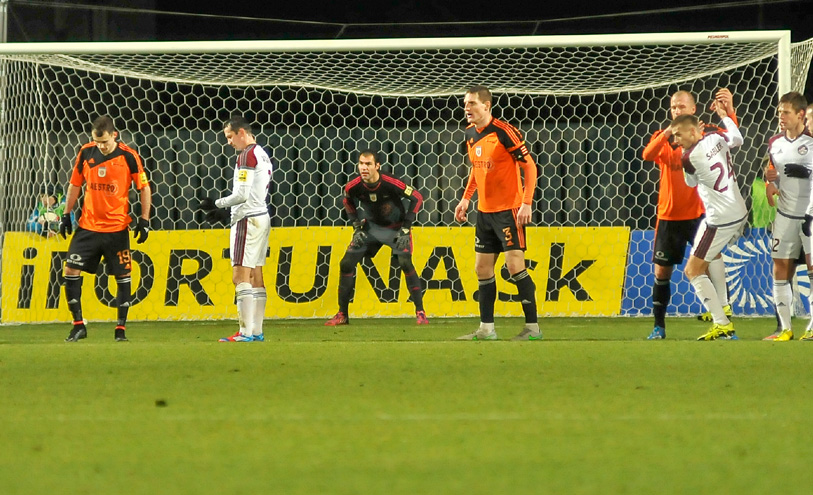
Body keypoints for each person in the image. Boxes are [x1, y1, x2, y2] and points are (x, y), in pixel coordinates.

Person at [641, 89, 737, 340]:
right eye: (673, 107)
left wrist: (729, 113)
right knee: (662, 273)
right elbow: (647, 155)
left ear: (693, 109)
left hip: (699, 214)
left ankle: (724, 321)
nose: (677, 111)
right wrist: (667, 133)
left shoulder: (704, 134)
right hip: (668, 217)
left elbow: (732, 137)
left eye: (682, 107)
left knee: (711, 260)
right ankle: (659, 327)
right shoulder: (664, 138)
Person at [453, 85, 540, 341]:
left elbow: (530, 167)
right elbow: (477, 169)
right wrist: (465, 199)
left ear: (486, 105)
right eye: (465, 103)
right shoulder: (470, 133)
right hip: (484, 212)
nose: (467, 108)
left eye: (472, 103)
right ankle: (486, 329)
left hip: (509, 210)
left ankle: (533, 328)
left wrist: (526, 203)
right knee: (482, 269)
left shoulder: (504, 132)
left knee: (514, 266)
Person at [60, 115, 151, 342]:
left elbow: (144, 187)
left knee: (123, 275)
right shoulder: (86, 152)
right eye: (97, 142)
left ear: (114, 135)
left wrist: (144, 220)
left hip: (116, 228)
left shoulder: (129, 156)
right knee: (70, 270)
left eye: (105, 142)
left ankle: (120, 329)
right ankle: (78, 325)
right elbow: (75, 184)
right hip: (88, 227)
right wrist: (66, 214)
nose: (101, 146)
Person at [325, 149, 428, 326]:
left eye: (368, 164)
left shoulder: (390, 182)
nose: (364, 168)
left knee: (405, 262)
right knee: (346, 263)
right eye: (361, 164)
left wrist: (406, 227)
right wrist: (356, 226)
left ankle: (420, 312)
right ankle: (342, 314)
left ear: (377, 166)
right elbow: (346, 200)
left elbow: (417, 197)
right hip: (371, 229)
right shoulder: (353, 186)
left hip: (396, 229)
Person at [671, 105, 746, 341]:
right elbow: (737, 139)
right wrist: (724, 116)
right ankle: (723, 305)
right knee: (710, 255)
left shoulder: (688, 157)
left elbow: (691, 183)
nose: (676, 140)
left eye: (678, 135)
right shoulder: (715, 137)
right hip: (737, 209)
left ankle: (722, 323)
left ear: (693, 131)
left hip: (720, 218)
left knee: (692, 270)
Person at [199, 115, 272, 342]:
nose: (229, 142)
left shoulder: (246, 155)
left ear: (241, 132)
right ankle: (256, 331)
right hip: (262, 216)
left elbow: (241, 194)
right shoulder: (262, 153)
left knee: (240, 275)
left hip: (247, 220)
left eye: (230, 137)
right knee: (255, 275)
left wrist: (217, 204)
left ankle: (244, 332)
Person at [762, 92, 813, 341]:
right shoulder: (774, 142)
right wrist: (770, 182)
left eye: (786, 112)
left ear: (800, 114)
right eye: (779, 112)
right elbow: (773, 172)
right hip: (784, 214)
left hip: (809, 215)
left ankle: (812, 327)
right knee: (779, 267)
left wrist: (805, 172)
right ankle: (784, 328)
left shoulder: (811, 141)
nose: (781, 116)